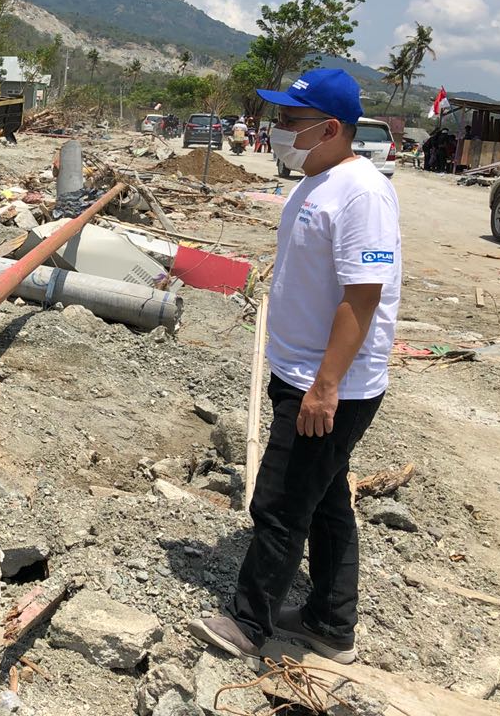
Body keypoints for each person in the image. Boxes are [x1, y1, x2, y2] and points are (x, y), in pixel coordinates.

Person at [189, 68, 401, 664]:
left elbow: (363, 297)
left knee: (280, 504)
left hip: (328, 384)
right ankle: (329, 623)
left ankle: (248, 624)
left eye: (289, 121)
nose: (276, 129)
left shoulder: (363, 193)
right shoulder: (317, 179)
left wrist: (325, 385)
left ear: (330, 128)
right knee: (325, 499)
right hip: (300, 373)